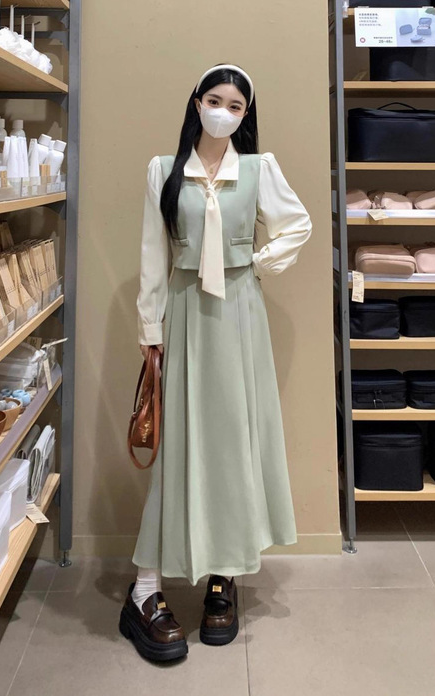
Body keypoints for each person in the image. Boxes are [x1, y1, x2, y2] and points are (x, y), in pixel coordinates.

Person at [119, 64, 312, 663]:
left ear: (245, 115)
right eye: (215, 100)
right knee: (180, 445)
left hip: (239, 316)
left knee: (233, 443)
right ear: (196, 103)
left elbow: (297, 225)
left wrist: (256, 263)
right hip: (183, 313)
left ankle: (224, 576)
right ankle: (144, 587)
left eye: (235, 105)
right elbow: (153, 254)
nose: (223, 112)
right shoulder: (163, 171)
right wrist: (150, 330)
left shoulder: (258, 170)